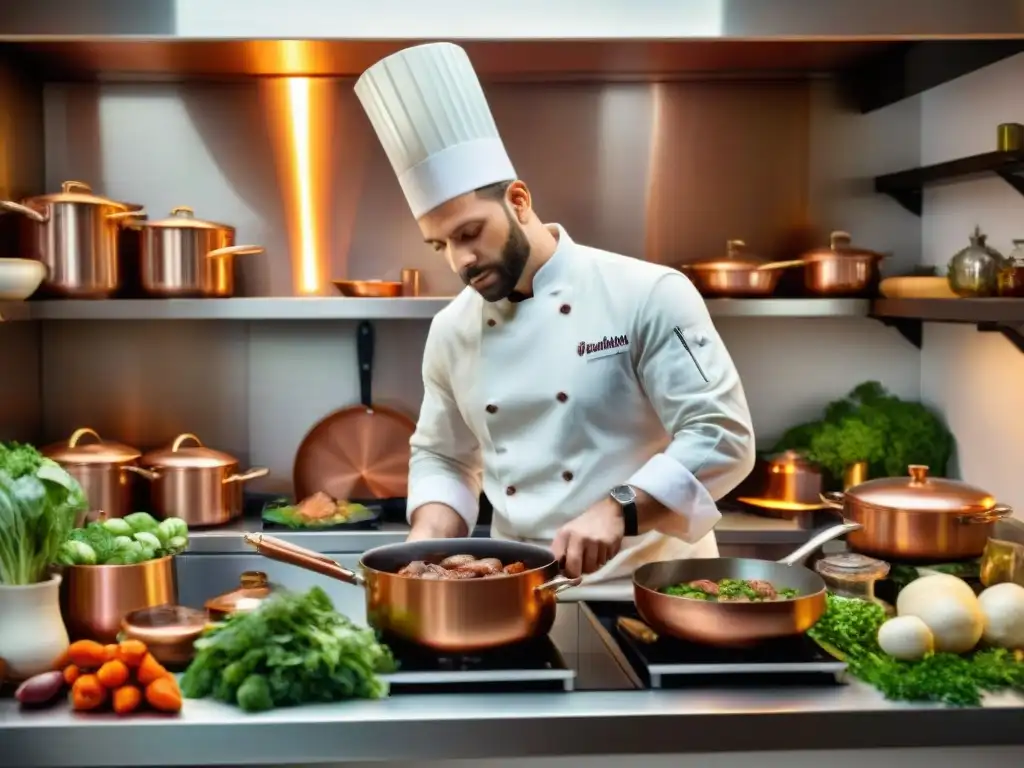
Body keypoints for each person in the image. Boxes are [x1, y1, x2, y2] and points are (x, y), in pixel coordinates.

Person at [354, 42, 755, 582]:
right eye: (439, 245)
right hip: (520, 592)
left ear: (518, 201)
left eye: (470, 233)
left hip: (656, 593)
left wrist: (618, 508)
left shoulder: (648, 292)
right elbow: (445, 457)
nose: (461, 261)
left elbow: (720, 433)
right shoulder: (452, 330)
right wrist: (423, 543)